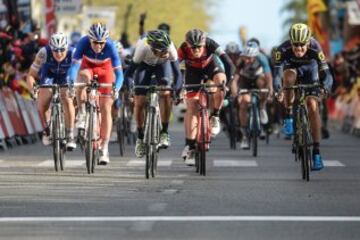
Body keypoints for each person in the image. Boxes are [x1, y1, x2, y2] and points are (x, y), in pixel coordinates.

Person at [272, 23, 333, 171]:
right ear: (291, 42)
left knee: (312, 105)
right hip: (291, 71)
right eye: (295, 45)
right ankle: (288, 115)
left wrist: (325, 86)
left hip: (310, 72)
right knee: (288, 79)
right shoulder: (282, 49)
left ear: (308, 42)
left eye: (302, 45)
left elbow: (327, 74)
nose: (299, 49)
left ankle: (317, 152)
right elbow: (277, 75)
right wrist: (278, 89)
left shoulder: (315, 48)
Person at [68, 23, 124, 165]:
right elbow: (74, 67)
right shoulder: (83, 42)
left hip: (105, 70)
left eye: (101, 43)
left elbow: (119, 74)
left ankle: (104, 147)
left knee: (106, 108)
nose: (98, 46)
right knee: (82, 79)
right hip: (88, 68)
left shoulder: (110, 46)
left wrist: (116, 88)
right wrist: (71, 82)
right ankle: (81, 113)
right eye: (95, 43)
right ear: (90, 39)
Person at [178, 29, 235, 165]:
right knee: (192, 105)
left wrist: (228, 84)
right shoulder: (183, 48)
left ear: (204, 44)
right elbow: (174, 66)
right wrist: (178, 86)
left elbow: (229, 64)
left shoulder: (211, 44)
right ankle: (191, 146)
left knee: (220, 82)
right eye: (193, 47)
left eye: (199, 47)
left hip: (211, 67)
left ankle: (215, 115)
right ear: (188, 45)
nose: (196, 50)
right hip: (192, 72)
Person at [125, 30, 182, 158]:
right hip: (144, 66)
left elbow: (177, 74)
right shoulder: (142, 48)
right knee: (139, 101)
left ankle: (164, 132)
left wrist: (177, 92)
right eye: (163, 51)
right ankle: (140, 138)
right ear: (154, 49)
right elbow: (128, 74)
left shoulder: (170, 49)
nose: (166, 53)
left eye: (167, 50)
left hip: (163, 66)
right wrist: (131, 90)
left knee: (166, 92)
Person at [26, 32, 76, 150]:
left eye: (62, 50)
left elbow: (82, 72)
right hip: (49, 75)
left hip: (66, 76)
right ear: (51, 48)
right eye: (55, 50)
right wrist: (33, 90)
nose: (58, 53)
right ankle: (47, 127)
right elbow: (30, 75)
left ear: (67, 47)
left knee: (67, 99)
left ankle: (70, 134)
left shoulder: (73, 53)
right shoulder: (43, 53)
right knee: (42, 102)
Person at [230, 41, 273, 149]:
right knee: (243, 103)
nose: (248, 60)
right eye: (246, 58)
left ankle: (262, 107)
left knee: (263, 82)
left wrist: (270, 88)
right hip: (245, 81)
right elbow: (235, 79)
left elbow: (268, 76)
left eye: (250, 58)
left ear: (255, 56)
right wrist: (235, 91)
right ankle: (244, 135)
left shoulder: (262, 58)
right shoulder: (241, 61)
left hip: (258, 79)